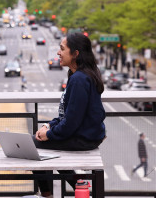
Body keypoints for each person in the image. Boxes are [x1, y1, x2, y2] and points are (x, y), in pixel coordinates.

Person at [32, 33, 106, 198]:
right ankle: (78, 182)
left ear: (76, 54)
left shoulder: (79, 79)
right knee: (45, 143)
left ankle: (47, 194)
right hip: (85, 134)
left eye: (62, 49)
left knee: (33, 145)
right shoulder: (79, 75)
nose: (58, 53)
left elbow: (71, 122)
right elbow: (67, 115)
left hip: (84, 138)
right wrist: (49, 126)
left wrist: (49, 134)